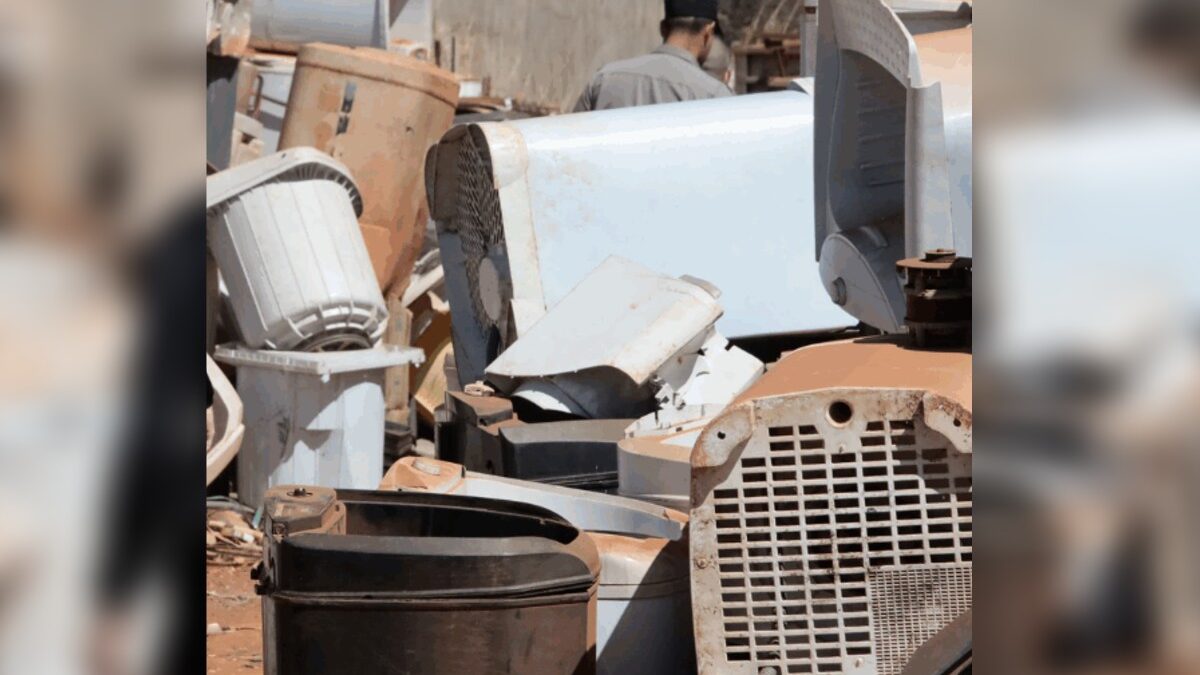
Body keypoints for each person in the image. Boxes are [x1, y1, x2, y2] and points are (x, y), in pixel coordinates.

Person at [572, 0, 732, 112]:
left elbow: (569, 144)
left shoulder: (603, 79)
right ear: (707, 33)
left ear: (663, 28)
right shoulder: (714, 95)